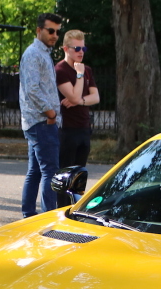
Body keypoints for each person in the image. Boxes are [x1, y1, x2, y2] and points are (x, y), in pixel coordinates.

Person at [18, 13, 64, 217]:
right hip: (41, 121)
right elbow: (32, 89)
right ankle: (47, 218)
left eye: (57, 31)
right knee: (50, 172)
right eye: (50, 31)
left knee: (35, 172)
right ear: (39, 30)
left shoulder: (44, 53)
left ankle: (28, 215)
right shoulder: (33, 54)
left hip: (40, 121)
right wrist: (51, 113)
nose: (55, 35)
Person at [55, 30, 100, 171]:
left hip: (84, 128)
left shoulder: (87, 69)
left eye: (83, 48)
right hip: (67, 130)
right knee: (65, 174)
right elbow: (73, 96)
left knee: (79, 174)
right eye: (77, 49)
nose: (81, 52)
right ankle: (60, 195)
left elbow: (96, 97)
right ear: (65, 49)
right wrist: (79, 75)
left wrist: (79, 101)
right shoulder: (60, 70)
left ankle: (78, 194)